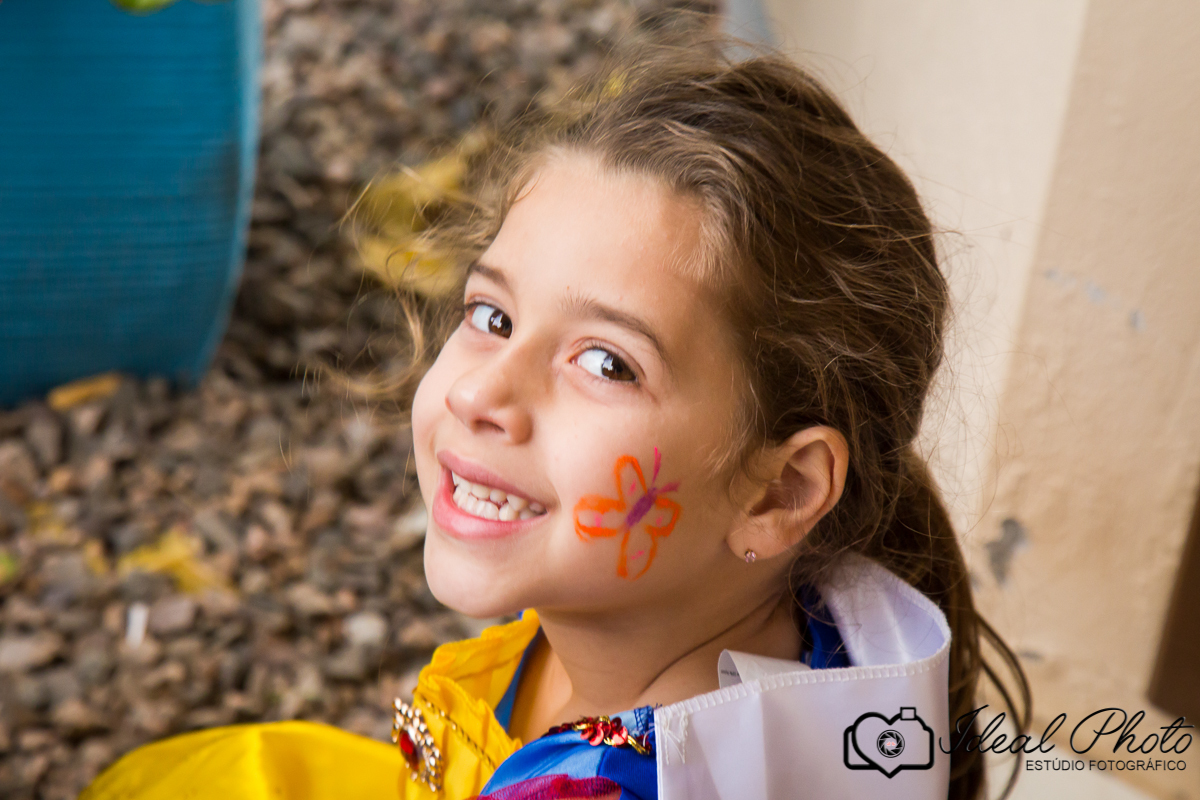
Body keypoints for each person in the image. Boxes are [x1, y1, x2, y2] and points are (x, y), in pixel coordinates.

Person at [82, 36, 1029, 800]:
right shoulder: (703, 609)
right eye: (491, 316)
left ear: (780, 489)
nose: (481, 394)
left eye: (606, 363)